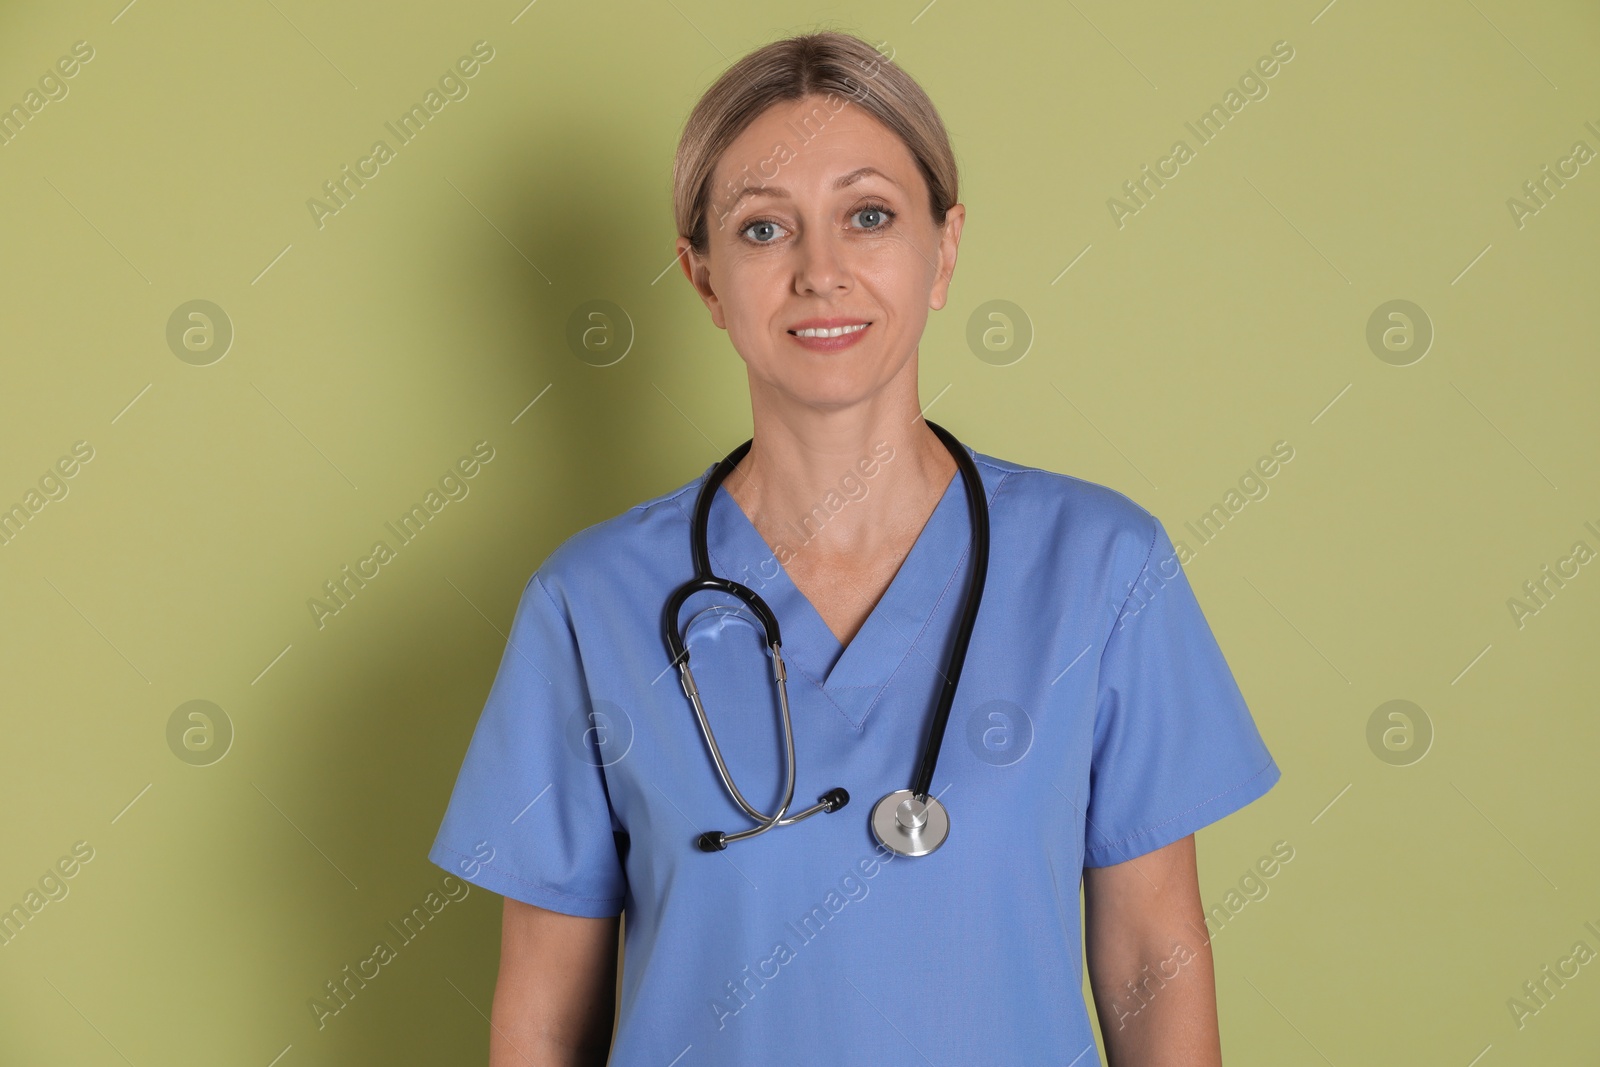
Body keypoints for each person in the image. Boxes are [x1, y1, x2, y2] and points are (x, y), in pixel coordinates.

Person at [429, 29, 1280, 1066]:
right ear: (702, 278)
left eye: (867, 216)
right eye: (761, 230)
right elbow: (539, 1019)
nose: (818, 271)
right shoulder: (590, 605)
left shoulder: (1101, 568)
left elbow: (1155, 958)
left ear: (945, 249)